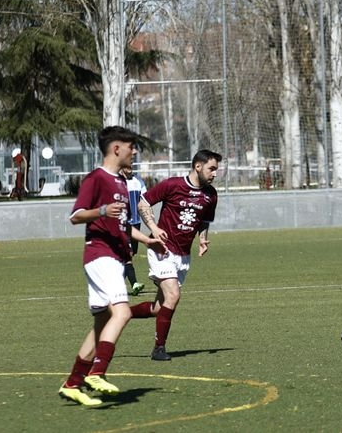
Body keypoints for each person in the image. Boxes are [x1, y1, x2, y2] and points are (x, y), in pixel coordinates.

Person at [58, 126, 164, 407]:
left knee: (102, 325)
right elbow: (76, 216)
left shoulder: (122, 183)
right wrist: (102, 211)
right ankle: (97, 372)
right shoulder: (97, 178)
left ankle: (72, 384)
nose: (134, 151)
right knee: (122, 312)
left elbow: (123, 226)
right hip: (100, 255)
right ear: (116, 148)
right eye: (131, 146)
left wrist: (147, 240)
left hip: (115, 258)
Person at [131, 149, 221, 361]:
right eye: (211, 169)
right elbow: (143, 202)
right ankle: (159, 349)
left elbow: (204, 220)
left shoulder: (211, 195)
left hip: (183, 256)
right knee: (173, 295)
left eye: (216, 169)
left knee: (159, 308)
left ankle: (120, 313)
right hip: (162, 249)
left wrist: (203, 239)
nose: (215, 173)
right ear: (198, 166)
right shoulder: (172, 185)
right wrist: (153, 227)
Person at [121, 165, 146, 295]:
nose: (130, 167)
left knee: (130, 255)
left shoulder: (139, 181)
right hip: (124, 224)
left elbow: (144, 202)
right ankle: (134, 283)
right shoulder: (117, 182)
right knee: (128, 255)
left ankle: (116, 286)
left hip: (136, 224)